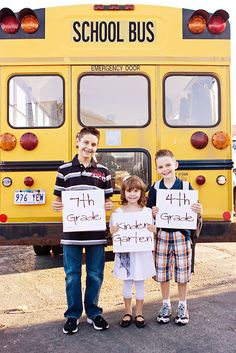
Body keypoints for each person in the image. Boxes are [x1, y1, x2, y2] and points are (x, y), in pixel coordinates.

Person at [52, 127, 113, 334]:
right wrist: (56, 205)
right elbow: (58, 200)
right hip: (71, 234)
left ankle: (94, 312)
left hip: (96, 234)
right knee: (72, 275)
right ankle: (73, 315)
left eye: (93, 144)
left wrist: (108, 205)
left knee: (95, 274)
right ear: (78, 141)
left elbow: (107, 200)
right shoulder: (64, 170)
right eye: (86, 142)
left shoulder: (103, 171)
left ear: (97, 147)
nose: (89, 147)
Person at [146, 149, 202, 326]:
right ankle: (165, 304)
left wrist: (199, 210)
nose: (165, 169)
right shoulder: (155, 187)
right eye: (161, 166)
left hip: (181, 235)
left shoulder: (186, 187)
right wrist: (152, 212)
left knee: (182, 273)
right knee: (162, 273)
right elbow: (148, 211)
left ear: (175, 165)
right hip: (162, 234)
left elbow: (195, 210)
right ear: (157, 169)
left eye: (168, 165)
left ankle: (183, 305)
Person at [109, 176, 156, 328]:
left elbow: (154, 231)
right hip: (126, 254)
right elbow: (112, 231)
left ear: (142, 193)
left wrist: (154, 229)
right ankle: (128, 312)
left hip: (142, 253)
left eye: (136, 191)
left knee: (140, 282)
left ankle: (139, 312)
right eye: (129, 191)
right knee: (127, 282)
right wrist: (113, 230)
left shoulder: (147, 212)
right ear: (123, 193)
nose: (132, 194)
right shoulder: (118, 213)